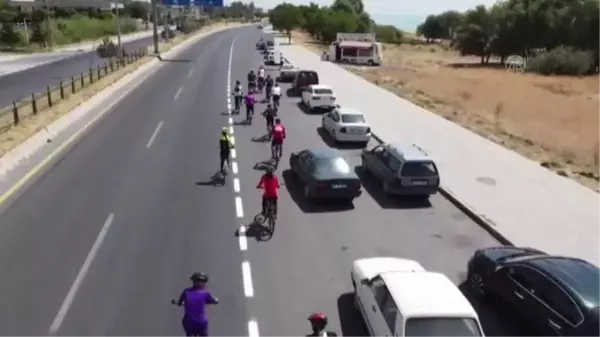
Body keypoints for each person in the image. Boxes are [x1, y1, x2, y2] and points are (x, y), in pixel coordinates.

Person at [172, 273, 219, 337]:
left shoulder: (186, 291)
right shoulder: (206, 293)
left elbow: (180, 303)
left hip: (188, 322)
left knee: (189, 333)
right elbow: (213, 301)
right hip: (201, 323)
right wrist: (216, 300)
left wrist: (176, 302)